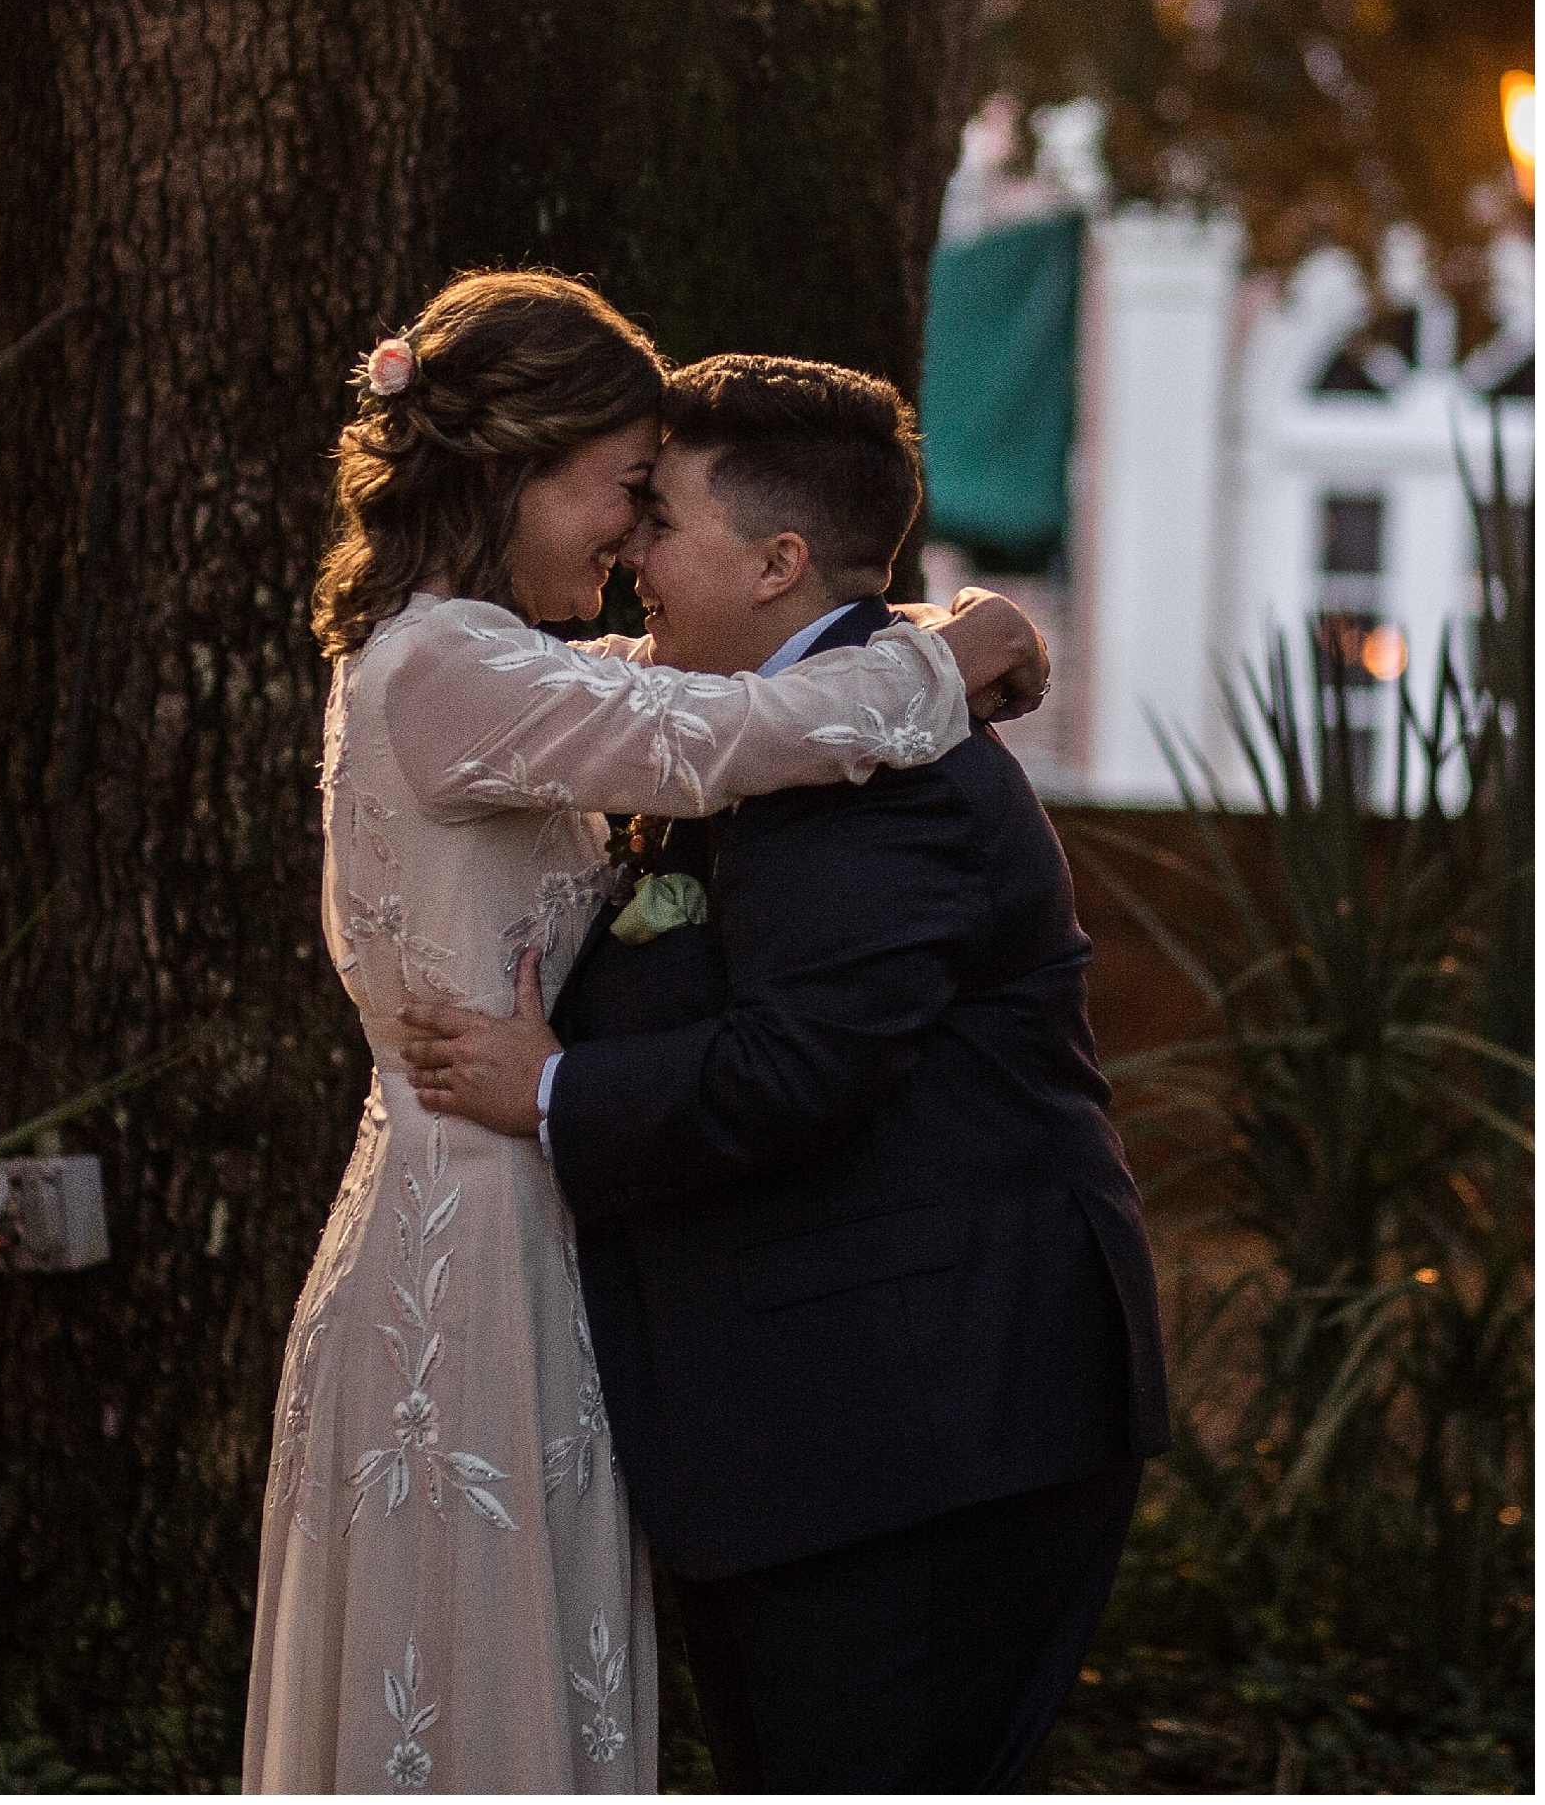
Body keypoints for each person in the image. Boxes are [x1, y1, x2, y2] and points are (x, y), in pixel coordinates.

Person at [241, 275, 1047, 1795]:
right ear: (521, 471)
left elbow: (721, 683)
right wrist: (951, 648)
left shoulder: (490, 664)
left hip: (528, 1218)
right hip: (461, 1255)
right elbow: (731, 732)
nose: (628, 538)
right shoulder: (445, 669)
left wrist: (918, 627)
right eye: (622, 490)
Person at [403, 352, 1170, 1795]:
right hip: (821, 1430)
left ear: (777, 560)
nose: (632, 548)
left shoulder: (880, 767)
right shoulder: (770, 724)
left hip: (927, 1429)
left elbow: (798, 1064)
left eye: (662, 517)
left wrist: (553, 1088)